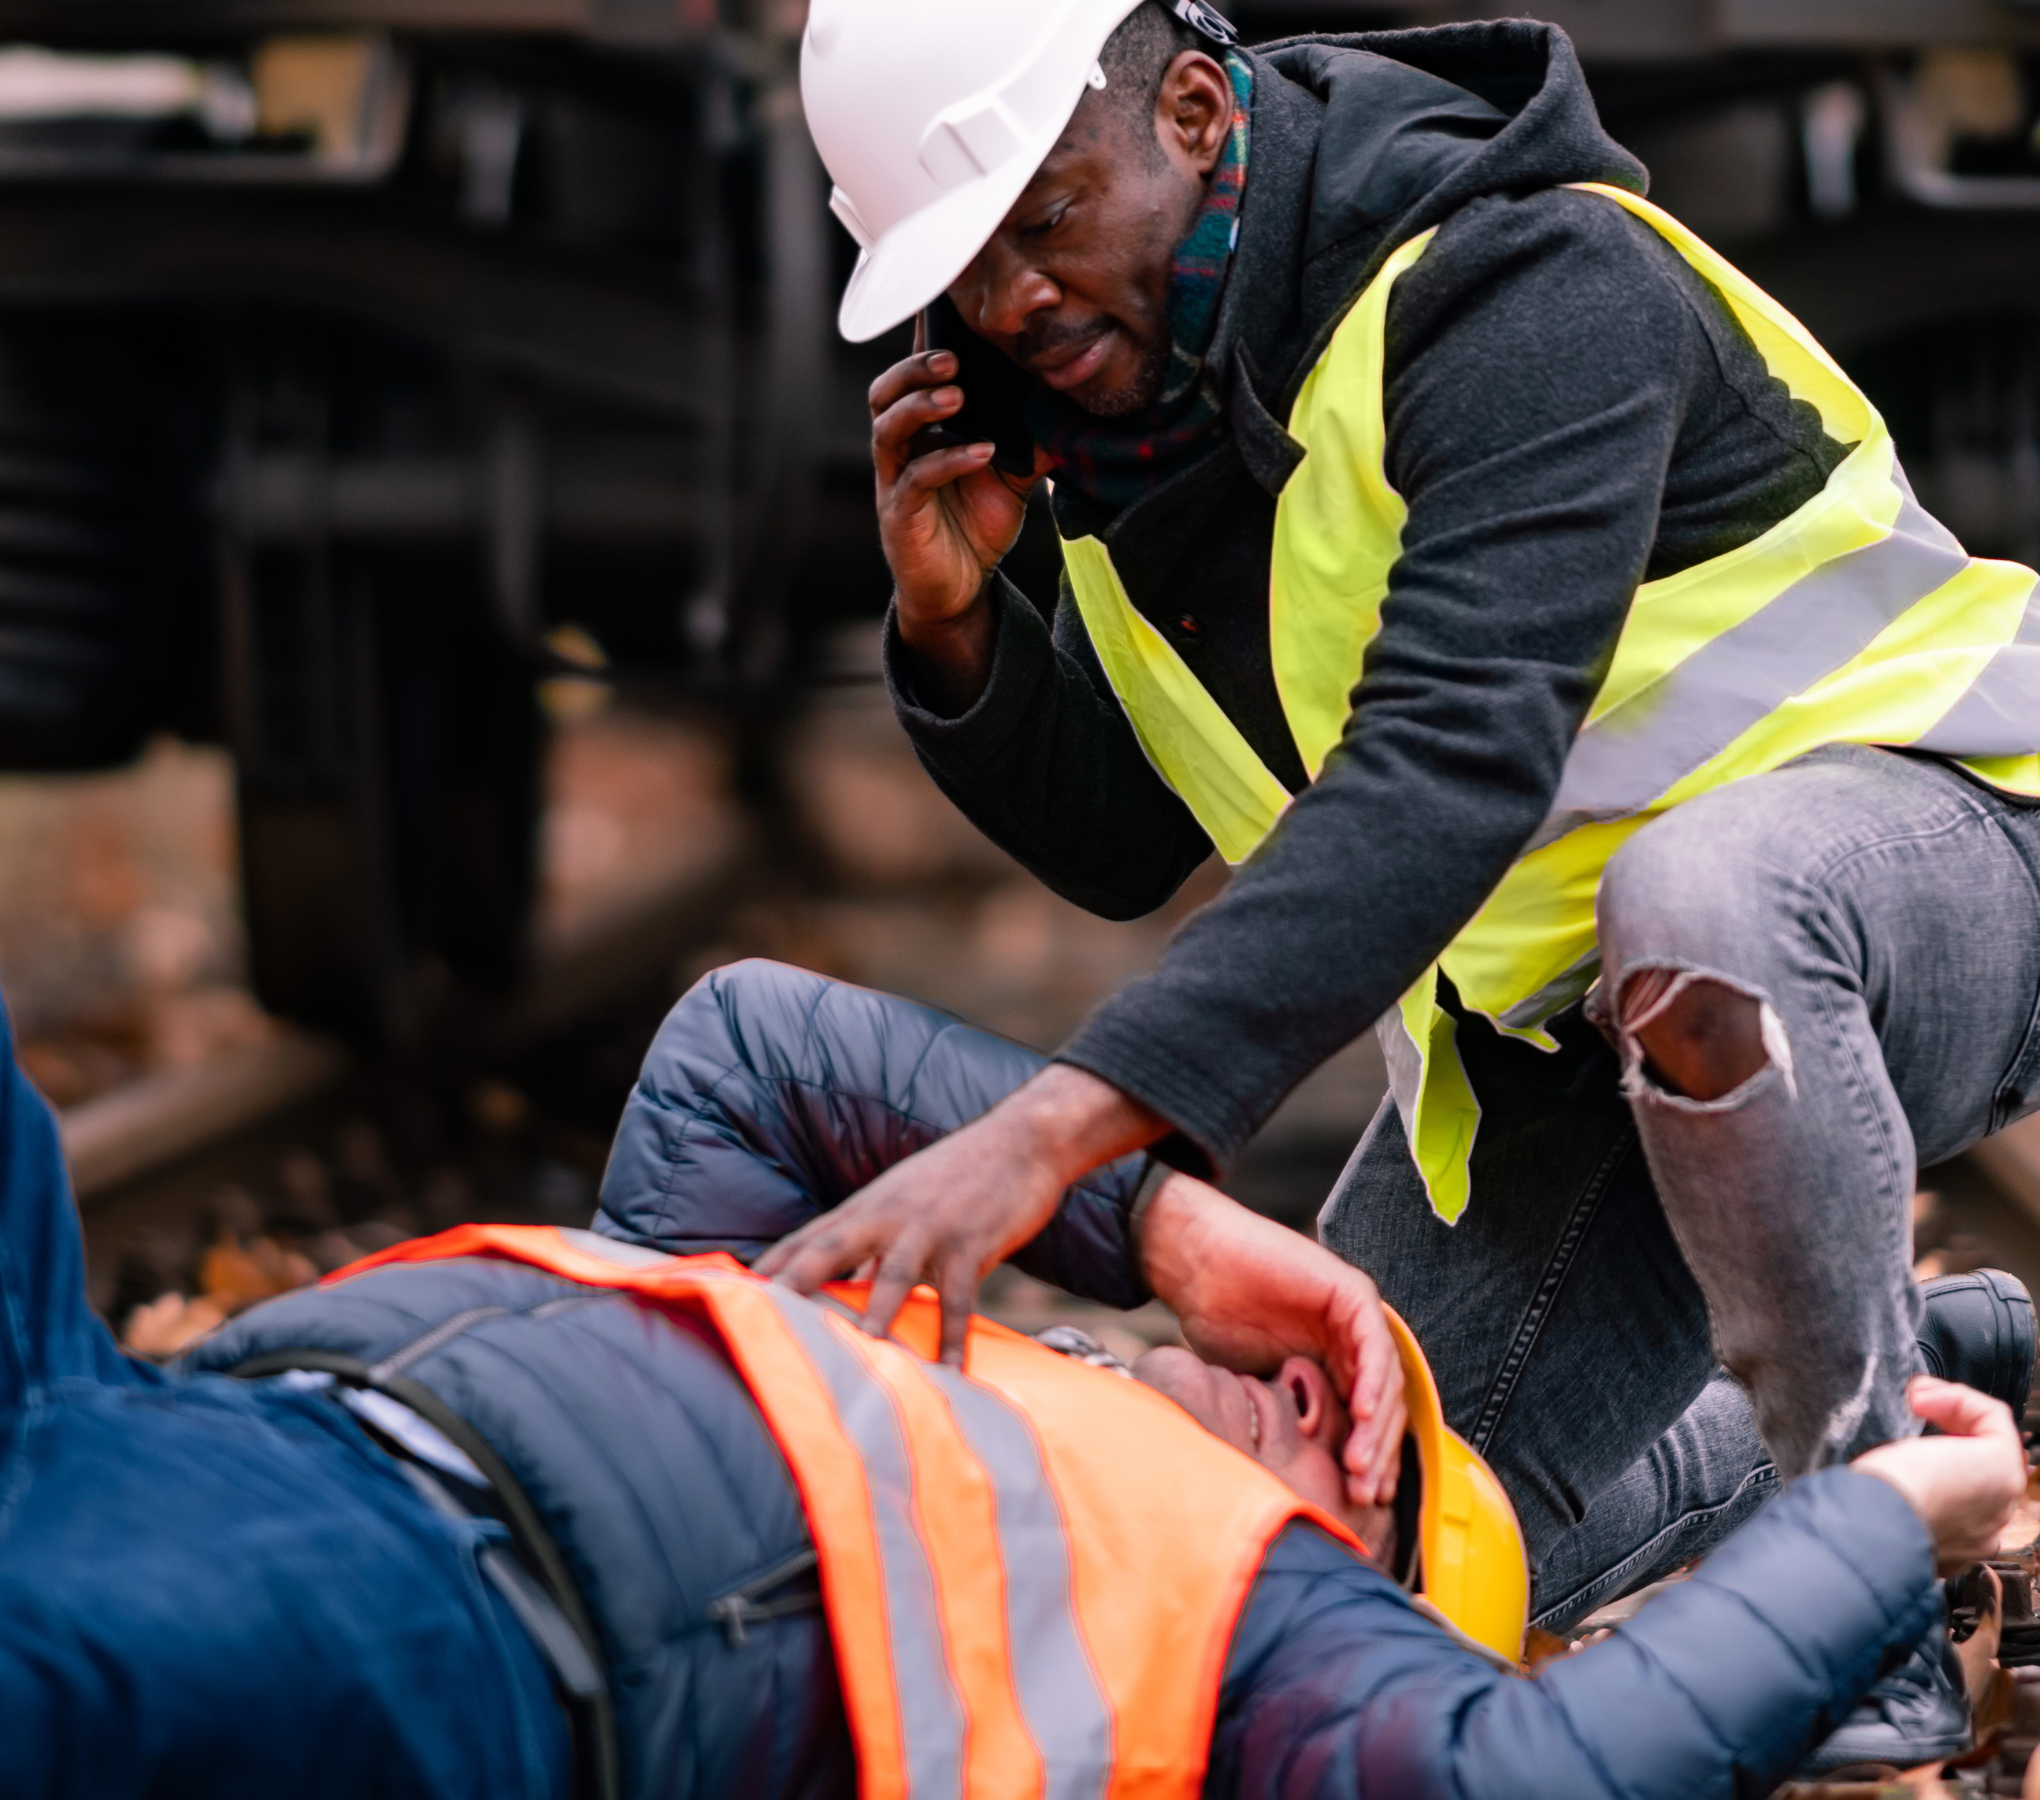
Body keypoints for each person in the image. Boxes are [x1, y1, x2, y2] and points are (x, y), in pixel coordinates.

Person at [0, 663, 2024, 1800]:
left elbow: (1552, 1761)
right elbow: (755, 1036)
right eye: (1321, 1364)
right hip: (76, 1443)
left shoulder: (1258, 1651)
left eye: (1361, 1438)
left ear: (1377, 1559)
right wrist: (1166, 1226)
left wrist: (1874, 1518)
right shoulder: (827, 1308)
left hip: (425, 1646)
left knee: (64, 1688)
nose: (1312, 1399)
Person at [772, 0, 2040, 1769]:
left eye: (1045, 223)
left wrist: (1056, 1131)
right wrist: (961, 629)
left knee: (1702, 897)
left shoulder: (1517, 281)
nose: (1010, 308)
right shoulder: (1138, 425)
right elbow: (1137, 844)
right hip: (1570, 1043)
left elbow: (1451, 764)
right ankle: (1908, 1390)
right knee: (1340, 1554)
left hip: (1948, 859)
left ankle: (1877, 1577)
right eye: (968, 270)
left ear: (1197, 111)